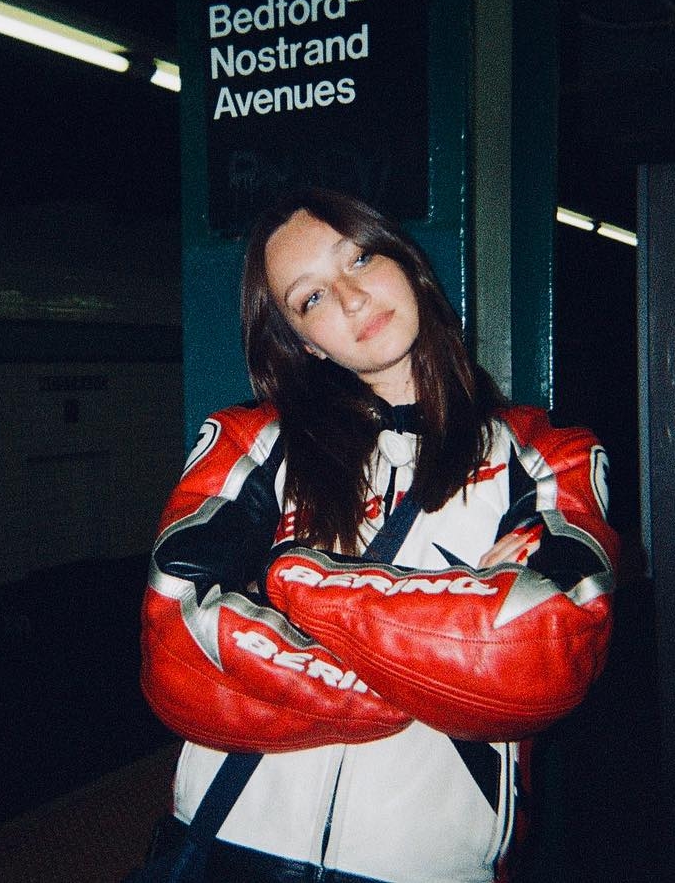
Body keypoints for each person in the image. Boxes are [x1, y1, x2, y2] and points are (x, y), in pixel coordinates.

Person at [139, 188, 619, 883]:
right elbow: (173, 646)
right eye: (311, 297)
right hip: (224, 848)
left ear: (406, 262)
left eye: (359, 258)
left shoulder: (548, 454)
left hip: (422, 865)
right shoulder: (251, 442)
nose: (351, 297)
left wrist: (289, 584)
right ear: (305, 342)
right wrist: (442, 653)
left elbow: (546, 650)